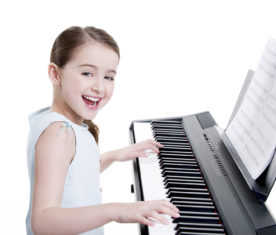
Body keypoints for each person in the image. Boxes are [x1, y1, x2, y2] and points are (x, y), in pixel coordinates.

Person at [26, 26, 180, 235]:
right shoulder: (58, 133)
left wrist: (115, 156)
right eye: (87, 73)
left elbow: (74, 174)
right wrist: (115, 211)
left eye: (108, 77)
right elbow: (42, 222)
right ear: (55, 74)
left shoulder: (64, 125)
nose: (99, 87)